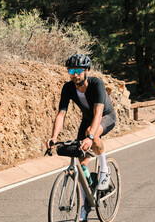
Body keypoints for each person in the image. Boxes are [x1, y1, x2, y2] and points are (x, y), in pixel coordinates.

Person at [46, 54, 116, 221]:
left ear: (86, 71)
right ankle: (84, 210)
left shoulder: (96, 84)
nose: (74, 74)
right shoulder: (68, 87)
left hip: (105, 117)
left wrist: (91, 136)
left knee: (90, 134)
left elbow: (98, 113)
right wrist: (54, 136)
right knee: (81, 165)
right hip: (87, 120)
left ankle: (104, 171)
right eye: (71, 70)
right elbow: (61, 114)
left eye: (78, 70)